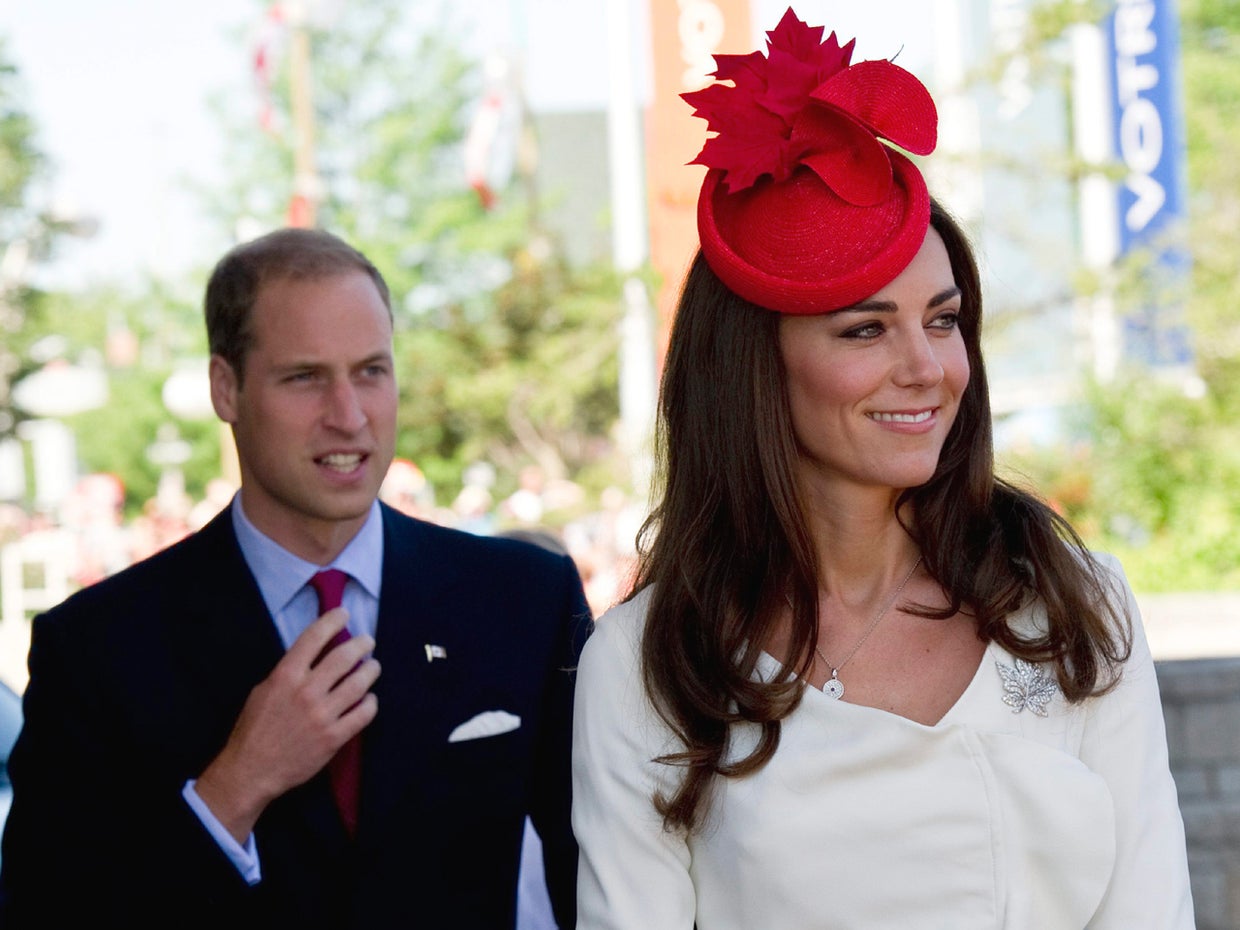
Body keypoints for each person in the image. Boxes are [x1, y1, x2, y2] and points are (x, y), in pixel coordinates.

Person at [571, 9, 1194, 929]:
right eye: (866, 328)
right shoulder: (654, 664)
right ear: (752, 367)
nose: (928, 368)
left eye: (942, 320)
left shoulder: (1070, 605)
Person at [0, 228, 589, 928]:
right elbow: (45, 911)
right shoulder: (96, 648)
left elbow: (594, 873)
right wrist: (234, 787)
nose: (348, 416)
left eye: (371, 370)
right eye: (305, 378)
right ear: (226, 388)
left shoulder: (525, 598)